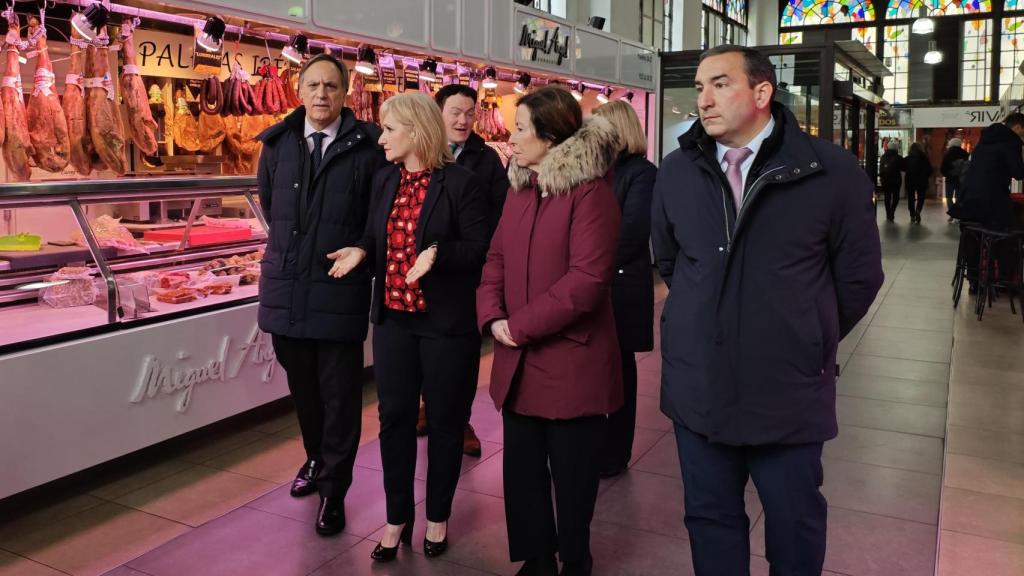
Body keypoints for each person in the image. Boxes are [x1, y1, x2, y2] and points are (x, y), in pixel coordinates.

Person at [651, 45, 883, 576]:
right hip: (699, 387)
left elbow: (859, 276)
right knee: (710, 520)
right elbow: (672, 261)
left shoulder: (830, 171)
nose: (703, 99)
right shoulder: (676, 172)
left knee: (795, 523)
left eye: (720, 84)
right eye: (700, 86)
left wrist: (805, 329)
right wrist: (705, 320)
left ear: (761, 92)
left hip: (786, 390)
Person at [326, 92, 489, 562]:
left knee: (444, 423)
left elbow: (480, 247)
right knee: (394, 420)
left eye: (390, 129)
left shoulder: (460, 183)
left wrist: (437, 254)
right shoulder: (384, 181)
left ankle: (438, 515)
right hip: (394, 321)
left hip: (445, 325)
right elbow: (374, 235)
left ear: (416, 131)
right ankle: (398, 517)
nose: (382, 139)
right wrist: (361, 250)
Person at [477, 86, 621, 576]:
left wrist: (518, 327)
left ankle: (575, 560)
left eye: (519, 129)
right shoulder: (520, 189)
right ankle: (536, 558)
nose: (511, 138)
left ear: (551, 135)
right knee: (522, 473)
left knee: (573, 476)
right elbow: (495, 257)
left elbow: (587, 280)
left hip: (570, 361)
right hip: (517, 358)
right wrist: (492, 316)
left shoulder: (591, 192)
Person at [256, 52, 386, 536]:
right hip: (287, 289)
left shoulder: (369, 148)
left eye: (331, 86)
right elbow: (273, 210)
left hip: (338, 288)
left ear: (345, 92)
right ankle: (315, 459)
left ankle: (334, 491)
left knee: (340, 397)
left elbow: (380, 218)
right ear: (298, 90)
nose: (321, 95)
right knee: (304, 391)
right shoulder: (278, 144)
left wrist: (364, 250)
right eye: (313, 85)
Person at [409, 84, 512, 457]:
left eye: (470, 113)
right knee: (422, 345)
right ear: (438, 113)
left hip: (467, 268)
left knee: (464, 355)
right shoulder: (420, 152)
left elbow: (501, 212)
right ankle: (426, 405)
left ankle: (461, 419)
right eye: (455, 111)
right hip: (421, 272)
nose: (463, 120)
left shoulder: (486, 159)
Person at [591, 100, 656, 478]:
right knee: (596, 371)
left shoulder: (642, 173)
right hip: (595, 284)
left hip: (620, 288)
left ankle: (615, 453)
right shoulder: (597, 171)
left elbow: (632, 235)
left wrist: (585, 262)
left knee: (620, 373)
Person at [952, 113, 1024, 230]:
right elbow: (1019, 173)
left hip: (969, 198)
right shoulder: (1011, 141)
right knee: (1011, 230)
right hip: (992, 200)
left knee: (977, 238)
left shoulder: (986, 140)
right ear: (1018, 127)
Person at [940, 137, 969, 222]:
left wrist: (948, 174)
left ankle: (952, 214)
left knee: (949, 197)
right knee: (959, 197)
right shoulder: (965, 154)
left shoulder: (947, 154)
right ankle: (959, 215)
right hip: (961, 179)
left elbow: (943, 168)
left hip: (950, 179)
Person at [904, 142, 932, 224]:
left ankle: (912, 215)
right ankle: (918, 210)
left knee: (911, 198)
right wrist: (925, 176)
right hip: (921, 180)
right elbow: (930, 169)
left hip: (910, 180)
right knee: (921, 197)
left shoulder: (908, 158)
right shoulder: (924, 158)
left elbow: (903, 168)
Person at [878, 141, 904, 222]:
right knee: (896, 197)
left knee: (887, 197)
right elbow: (903, 168)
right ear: (896, 148)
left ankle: (888, 213)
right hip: (896, 180)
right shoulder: (899, 157)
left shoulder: (883, 157)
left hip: (885, 180)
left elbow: (881, 169)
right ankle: (892, 211)